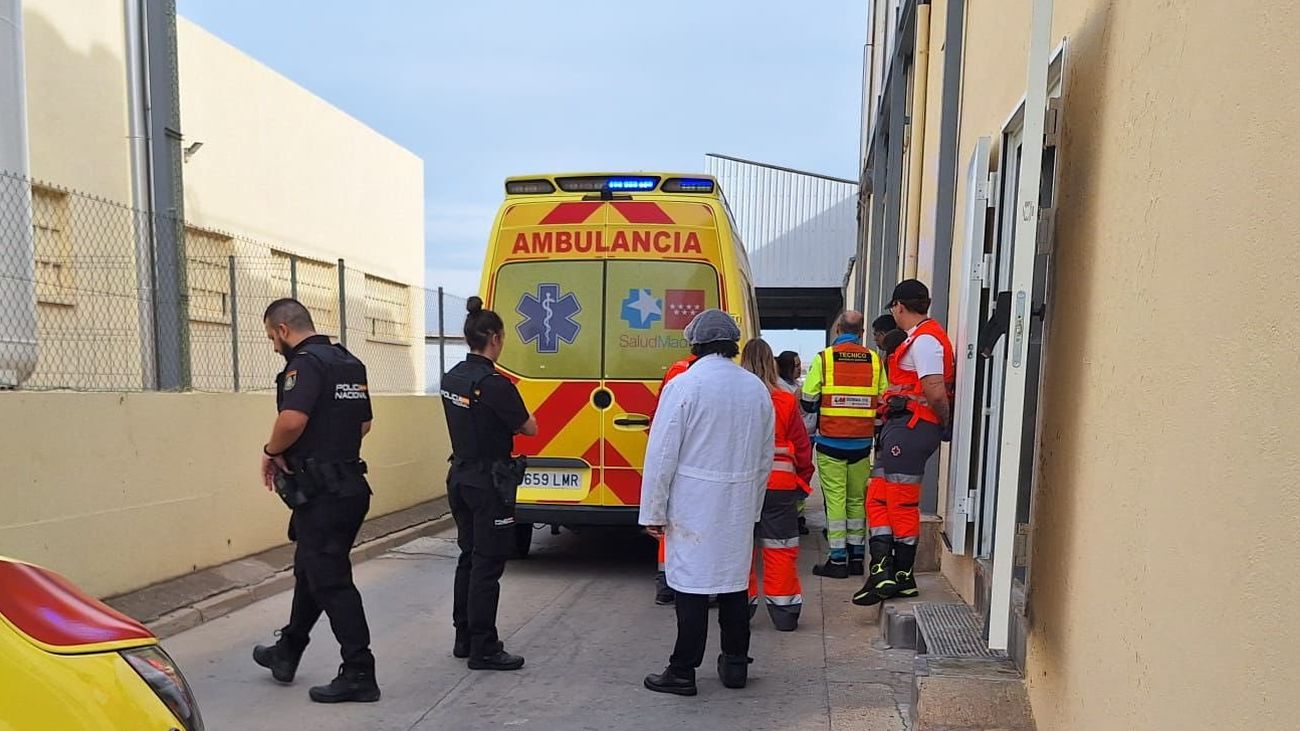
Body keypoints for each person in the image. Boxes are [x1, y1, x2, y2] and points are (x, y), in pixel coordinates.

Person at [640, 310, 774, 696]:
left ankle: (683, 670)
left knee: (691, 588)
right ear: (732, 345)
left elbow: (662, 453)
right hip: (737, 502)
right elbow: (765, 456)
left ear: (694, 345)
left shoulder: (684, 386)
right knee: (733, 584)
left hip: (693, 505)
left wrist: (653, 510)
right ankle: (735, 664)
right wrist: (753, 506)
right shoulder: (755, 389)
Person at [252, 298, 379, 704]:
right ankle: (287, 651)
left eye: (273, 337)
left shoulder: (304, 364)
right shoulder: (348, 362)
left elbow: (292, 420)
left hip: (323, 494)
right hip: (349, 487)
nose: (274, 346)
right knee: (311, 570)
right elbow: (364, 423)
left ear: (284, 330)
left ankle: (360, 671)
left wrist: (271, 450)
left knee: (331, 581)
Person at [441, 297, 539, 670]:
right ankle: (485, 646)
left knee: (468, 556)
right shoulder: (495, 385)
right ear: (495, 338)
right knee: (488, 563)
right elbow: (529, 427)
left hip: (460, 476)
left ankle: (463, 636)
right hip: (489, 482)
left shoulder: (452, 378)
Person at [854, 280, 955, 607]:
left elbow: (935, 390)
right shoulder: (918, 339)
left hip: (913, 427)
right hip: (902, 427)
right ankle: (883, 571)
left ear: (899, 306)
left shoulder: (926, 341)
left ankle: (899, 573)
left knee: (899, 500)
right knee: (879, 497)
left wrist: (943, 422)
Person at [801, 311, 886, 579]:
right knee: (856, 499)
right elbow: (883, 400)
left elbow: (807, 398)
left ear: (837, 329)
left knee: (835, 499)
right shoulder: (874, 360)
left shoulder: (824, 359)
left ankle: (837, 559)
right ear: (861, 332)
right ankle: (857, 556)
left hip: (831, 442)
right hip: (861, 444)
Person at [742, 339, 815, 631]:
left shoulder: (736, 399)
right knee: (781, 548)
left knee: (740, 548)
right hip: (780, 486)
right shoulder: (784, 401)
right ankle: (784, 612)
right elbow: (801, 447)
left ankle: (740, 608)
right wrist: (802, 482)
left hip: (742, 487)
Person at [653, 351, 700, 606]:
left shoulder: (676, 371)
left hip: (676, 459)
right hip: (701, 463)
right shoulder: (725, 376)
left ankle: (665, 583)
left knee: (671, 523)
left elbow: (660, 416)